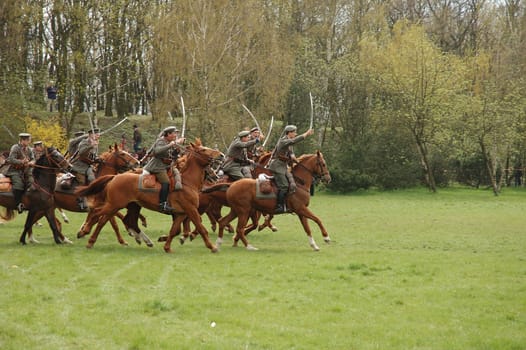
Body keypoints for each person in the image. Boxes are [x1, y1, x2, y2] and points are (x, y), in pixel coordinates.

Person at [268, 125, 314, 213]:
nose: (296, 134)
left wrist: (296, 160)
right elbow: (293, 141)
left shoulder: (289, 143)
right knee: (284, 186)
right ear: (289, 133)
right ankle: (279, 206)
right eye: (294, 132)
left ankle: (289, 203)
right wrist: (306, 134)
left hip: (284, 166)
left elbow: (291, 154)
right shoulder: (283, 141)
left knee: (292, 183)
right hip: (277, 166)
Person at [143, 126, 185, 213]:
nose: (175, 135)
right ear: (168, 134)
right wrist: (172, 144)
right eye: (174, 133)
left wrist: (177, 149)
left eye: (176, 133)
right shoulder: (161, 141)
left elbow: (172, 155)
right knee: (166, 182)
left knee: (176, 174)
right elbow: (157, 151)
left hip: (166, 166)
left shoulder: (170, 142)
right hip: (157, 167)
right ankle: (162, 204)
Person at [5, 133, 36, 213]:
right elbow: (11, 159)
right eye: (28, 140)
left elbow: (33, 159)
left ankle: (29, 202)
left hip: (26, 171)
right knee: (18, 185)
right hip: (14, 171)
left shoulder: (29, 149)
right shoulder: (15, 147)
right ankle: (18, 204)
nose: (29, 142)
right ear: (23, 140)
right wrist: (22, 162)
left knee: (32, 183)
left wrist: (32, 162)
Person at [70, 128, 100, 209]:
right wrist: (91, 146)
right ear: (90, 135)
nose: (98, 135)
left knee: (92, 178)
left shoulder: (95, 143)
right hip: (79, 166)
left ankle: (92, 197)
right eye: (96, 134)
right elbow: (82, 152)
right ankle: (80, 200)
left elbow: (94, 155)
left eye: (98, 134)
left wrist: (98, 159)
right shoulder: (84, 142)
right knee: (81, 181)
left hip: (88, 166)